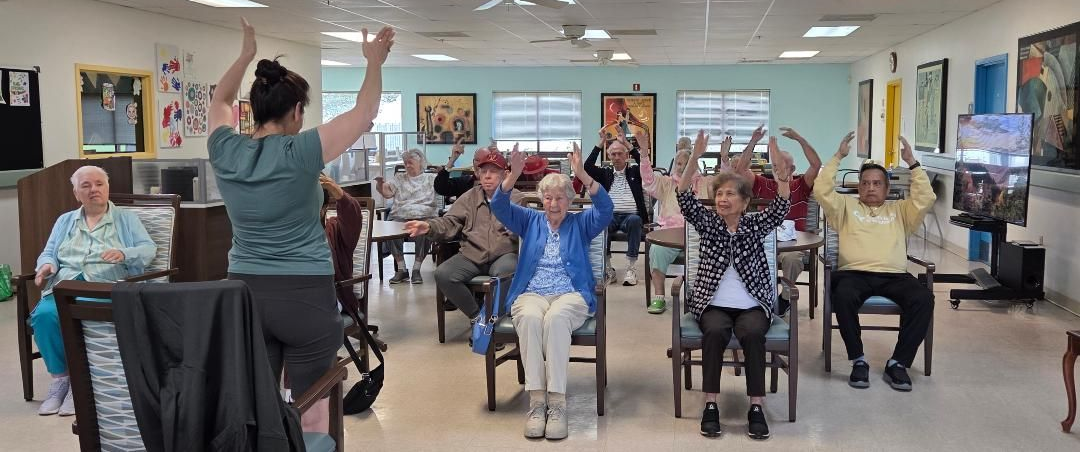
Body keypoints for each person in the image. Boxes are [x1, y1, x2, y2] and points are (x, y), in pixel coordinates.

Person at [207, 18, 393, 432]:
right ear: (296, 112)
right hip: (305, 292)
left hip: (244, 291)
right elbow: (363, 115)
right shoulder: (301, 150)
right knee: (313, 401)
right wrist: (374, 63)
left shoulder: (224, 149)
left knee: (257, 401)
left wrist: (245, 56)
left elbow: (219, 102)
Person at [490, 144, 612, 440]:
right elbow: (499, 206)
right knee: (531, 319)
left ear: (569, 200)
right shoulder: (529, 220)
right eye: (548, 197)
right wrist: (512, 176)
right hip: (531, 293)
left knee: (556, 320)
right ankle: (536, 402)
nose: (553, 203)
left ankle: (557, 404)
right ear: (541, 199)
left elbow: (606, 210)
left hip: (570, 294)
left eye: (559, 198)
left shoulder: (581, 222)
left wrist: (583, 174)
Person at [677, 130, 791, 440]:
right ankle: (710, 403)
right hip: (712, 303)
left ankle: (756, 405)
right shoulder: (709, 223)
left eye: (730, 194)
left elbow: (780, 208)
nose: (723, 199)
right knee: (713, 332)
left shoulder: (755, 225)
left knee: (753, 334)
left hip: (753, 303)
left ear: (744, 201)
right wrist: (696, 158)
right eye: (719, 194)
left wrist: (782, 177)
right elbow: (684, 197)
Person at [813, 133, 936, 392]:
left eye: (877, 183)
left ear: (887, 188)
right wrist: (838, 157)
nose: (871, 188)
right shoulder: (844, 207)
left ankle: (898, 363)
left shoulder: (901, 210)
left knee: (924, 298)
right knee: (843, 295)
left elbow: (926, 198)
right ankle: (858, 360)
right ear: (859, 186)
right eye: (866, 183)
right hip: (853, 274)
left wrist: (912, 163)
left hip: (894, 276)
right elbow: (821, 190)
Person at [31, 165, 155, 416]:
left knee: (76, 315)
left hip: (104, 285)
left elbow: (148, 249)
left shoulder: (125, 219)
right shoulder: (65, 220)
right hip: (65, 284)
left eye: (99, 184)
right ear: (76, 193)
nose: (93, 190)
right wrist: (46, 266)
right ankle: (61, 381)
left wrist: (124, 253)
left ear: (107, 188)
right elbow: (49, 252)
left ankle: (80, 385)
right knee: (44, 316)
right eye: (85, 186)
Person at [403, 148, 524, 325]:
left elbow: (523, 230)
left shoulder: (517, 198)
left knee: (504, 273)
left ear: (505, 174)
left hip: (503, 254)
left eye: (493, 172)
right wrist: (429, 226)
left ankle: (494, 324)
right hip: (472, 254)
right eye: (484, 172)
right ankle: (479, 319)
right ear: (478, 173)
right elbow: (449, 221)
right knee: (443, 274)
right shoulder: (469, 197)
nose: (487, 176)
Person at [736, 127, 823, 317]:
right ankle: (754, 298)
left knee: (792, 260)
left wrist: (800, 138)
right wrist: (753, 141)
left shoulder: (801, 185)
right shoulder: (763, 184)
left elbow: (816, 165)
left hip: (793, 244)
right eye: (775, 166)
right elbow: (741, 170)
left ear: (792, 169)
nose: (778, 170)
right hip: (764, 242)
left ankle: (784, 299)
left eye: (782, 166)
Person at [637, 132, 711, 314]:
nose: (682, 167)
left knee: (711, 254)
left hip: (698, 235)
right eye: (678, 163)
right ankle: (659, 296)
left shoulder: (705, 183)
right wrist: (644, 154)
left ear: (695, 164)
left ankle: (699, 295)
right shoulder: (666, 183)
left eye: (686, 164)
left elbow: (727, 182)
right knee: (656, 250)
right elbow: (647, 181)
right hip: (669, 234)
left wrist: (724, 159)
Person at [585, 128, 648, 286]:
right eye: (613, 154)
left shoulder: (635, 171)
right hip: (610, 215)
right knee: (602, 223)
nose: (617, 157)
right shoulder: (605, 173)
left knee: (635, 220)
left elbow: (645, 163)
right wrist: (600, 143)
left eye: (620, 153)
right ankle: (608, 268)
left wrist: (627, 143)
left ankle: (631, 268)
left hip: (631, 216)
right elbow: (587, 167)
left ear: (626, 156)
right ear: (609, 156)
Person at [375, 148, 439, 284]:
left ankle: (416, 269)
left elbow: (445, 187)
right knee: (390, 228)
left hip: (424, 214)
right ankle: (402, 269)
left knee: (425, 228)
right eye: (405, 163)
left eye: (410, 162)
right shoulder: (399, 178)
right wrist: (380, 184)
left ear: (421, 162)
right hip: (400, 215)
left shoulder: (431, 178)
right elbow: (387, 193)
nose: (407, 165)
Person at [319, 173, 364, 316]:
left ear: (323, 209)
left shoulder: (334, 229)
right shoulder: (288, 232)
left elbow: (353, 217)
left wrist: (337, 191)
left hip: (330, 298)